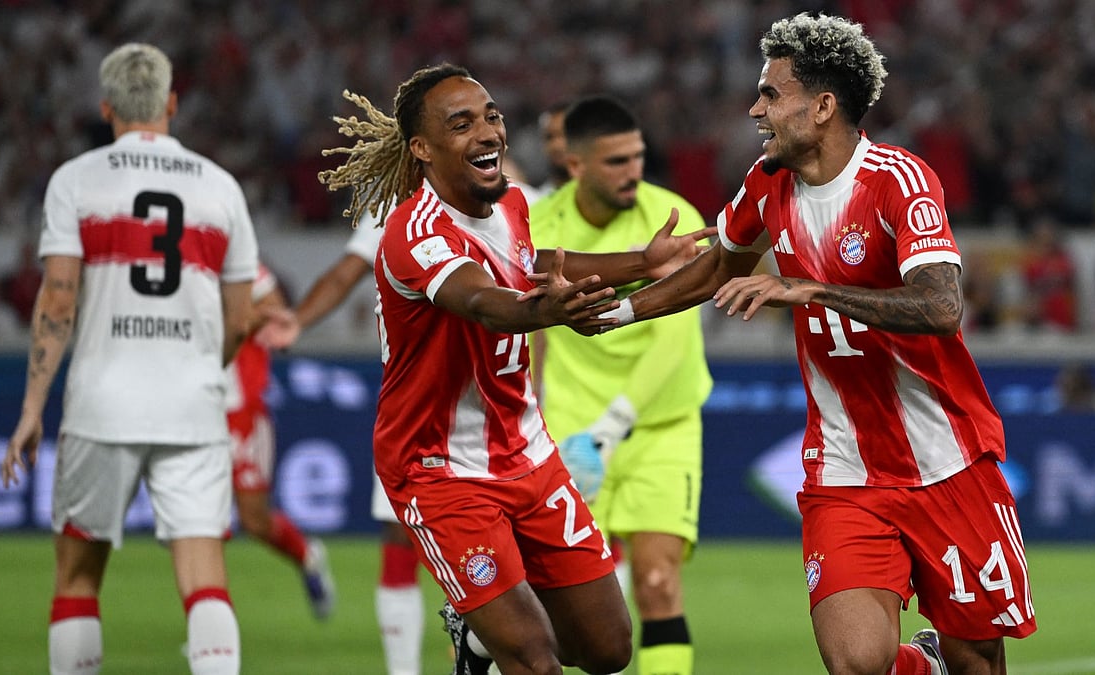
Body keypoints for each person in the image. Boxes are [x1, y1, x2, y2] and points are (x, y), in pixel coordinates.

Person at [581, 14, 1037, 674]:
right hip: (844, 468)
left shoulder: (899, 182)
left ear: (822, 106)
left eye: (771, 94)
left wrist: (814, 291)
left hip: (948, 461)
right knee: (856, 660)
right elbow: (717, 269)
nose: (754, 108)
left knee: (978, 661)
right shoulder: (767, 184)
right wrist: (618, 311)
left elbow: (941, 306)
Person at [315, 63, 712, 675]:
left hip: (526, 452)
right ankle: (487, 643)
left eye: (492, 116)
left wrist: (643, 260)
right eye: (462, 123)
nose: (488, 132)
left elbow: (539, 264)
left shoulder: (512, 207)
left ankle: (476, 640)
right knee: (532, 658)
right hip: (440, 468)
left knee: (607, 649)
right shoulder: (415, 232)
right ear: (421, 148)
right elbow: (482, 301)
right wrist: (546, 310)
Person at [0, 43, 256, 675]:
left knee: (79, 576)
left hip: (101, 401)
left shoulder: (77, 180)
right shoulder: (220, 187)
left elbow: (58, 299)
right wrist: (202, 364)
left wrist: (33, 405)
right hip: (192, 406)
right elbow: (242, 319)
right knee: (204, 578)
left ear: (105, 107)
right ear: (171, 103)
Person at [528, 94, 712, 675]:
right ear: (575, 165)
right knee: (577, 603)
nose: (633, 169)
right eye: (615, 162)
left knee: (657, 582)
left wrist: (612, 427)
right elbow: (530, 333)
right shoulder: (540, 226)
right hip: (572, 426)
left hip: (661, 425)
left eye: (636, 156)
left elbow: (672, 340)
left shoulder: (672, 218)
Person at [257, 217, 431, 675]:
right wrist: (297, 319)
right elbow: (344, 274)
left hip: (489, 406)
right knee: (399, 535)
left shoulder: (514, 201)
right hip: (412, 407)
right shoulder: (392, 208)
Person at [226, 262, 337, 621]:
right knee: (199, 521)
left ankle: (307, 556)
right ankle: (207, 618)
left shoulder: (239, 261)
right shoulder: (178, 263)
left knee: (254, 520)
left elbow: (274, 309)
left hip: (242, 406)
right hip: (194, 406)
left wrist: (228, 315)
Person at [532, 101, 571, 198]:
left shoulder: (606, 198)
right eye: (549, 137)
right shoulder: (535, 201)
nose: (556, 145)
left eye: (565, 135)